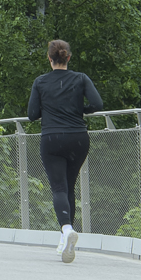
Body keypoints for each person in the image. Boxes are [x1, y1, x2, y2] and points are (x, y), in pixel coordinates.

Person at [27, 39, 103, 263]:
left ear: (50, 59)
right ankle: (64, 237)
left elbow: (32, 114)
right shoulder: (81, 78)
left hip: (52, 138)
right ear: (68, 57)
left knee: (58, 187)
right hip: (78, 138)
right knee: (70, 185)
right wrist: (79, 109)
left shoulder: (40, 82)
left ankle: (67, 229)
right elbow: (98, 104)